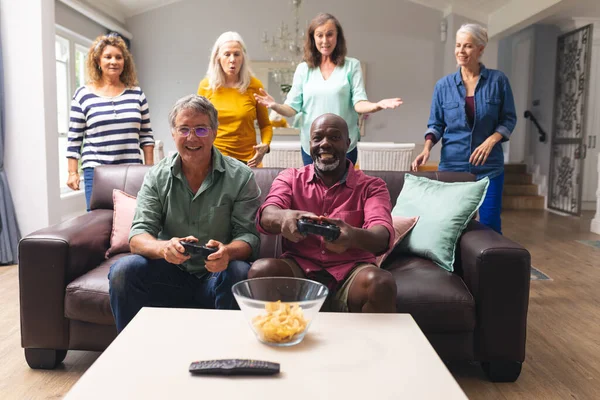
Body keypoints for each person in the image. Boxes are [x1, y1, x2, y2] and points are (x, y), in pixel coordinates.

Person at [108, 94, 261, 333]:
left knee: (239, 270)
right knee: (123, 271)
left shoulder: (241, 176)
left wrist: (227, 251)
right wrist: (164, 247)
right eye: (184, 129)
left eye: (201, 130)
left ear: (214, 132)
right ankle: (132, 355)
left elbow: (249, 237)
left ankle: (229, 353)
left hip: (216, 276)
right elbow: (138, 236)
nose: (192, 138)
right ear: (173, 133)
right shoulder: (157, 176)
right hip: (169, 274)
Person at [248, 113, 397, 313]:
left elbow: (382, 236)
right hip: (299, 269)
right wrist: (284, 217)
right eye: (318, 138)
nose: (324, 144)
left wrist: (351, 236)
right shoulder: (290, 178)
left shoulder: (372, 186)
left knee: (380, 282)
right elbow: (267, 215)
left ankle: (373, 345)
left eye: (334, 137)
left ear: (348, 143)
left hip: (352, 272)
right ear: (309, 143)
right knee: (261, 270)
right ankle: (277, 339)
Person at [254, 13, 403, 166]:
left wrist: (376, 105)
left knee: (343, 189)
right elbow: (291, 108)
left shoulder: (352, 66)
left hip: (343, 145)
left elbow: (359, 103)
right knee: (313, 189)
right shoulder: (303, 69)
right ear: (313, 38)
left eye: (330, 34)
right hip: (312, 145)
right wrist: (275, 106)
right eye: (320, 35)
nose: (325, 40)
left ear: (338, 37)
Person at [411, 23, 516, 234]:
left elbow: (508, 118)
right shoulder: (443, 86)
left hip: (489, 168)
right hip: (453, 165)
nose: (461, 51)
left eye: (468, 46)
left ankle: (490, 266)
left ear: (480, 49)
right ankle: (454, 267)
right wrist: (427, 148)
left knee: (489, 223)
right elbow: (436, 124)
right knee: (450, 223)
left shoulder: (498, 81)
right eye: (458, 45)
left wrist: (491, 140)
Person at [66, 33, 155, 211]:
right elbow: (74, 139)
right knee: (98, 224)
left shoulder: (136, 94)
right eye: (108, 57)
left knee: (132, 221)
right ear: (98, 61)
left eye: (118, 57)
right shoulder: (83, 94)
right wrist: (72, 172)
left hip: (131, 171)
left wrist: (149, 170)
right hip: (97, 172)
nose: (113, 61)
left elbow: (146, 136)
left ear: (125, 62)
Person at [197, 31, 272, 167]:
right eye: (227, 54)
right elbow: (199, 125)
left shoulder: (254, 85)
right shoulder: (206, 86)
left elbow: (265, 125)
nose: (232, 59)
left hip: (249, 162)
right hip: (214, 161)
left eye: (237, 54)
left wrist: (265, 145)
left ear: (243, 57)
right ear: (218, 57)